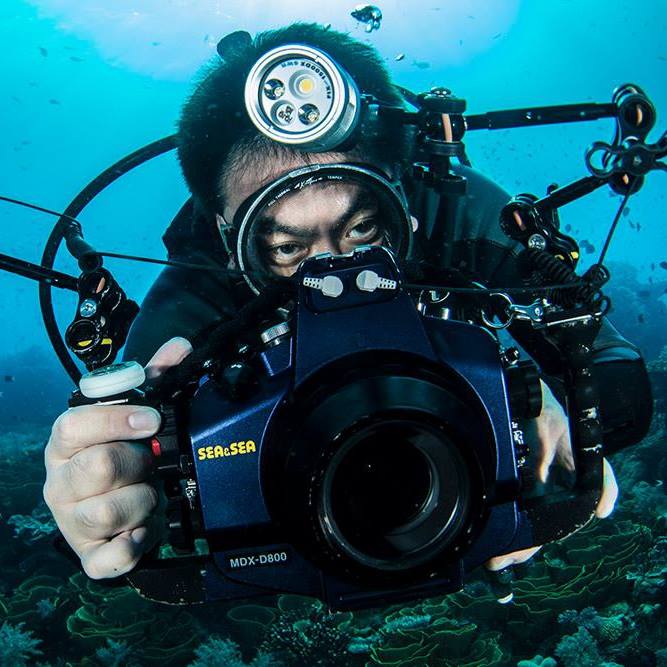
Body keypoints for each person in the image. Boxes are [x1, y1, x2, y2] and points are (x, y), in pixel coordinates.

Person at [42, 23, 650, 582]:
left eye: (364, 229)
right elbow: (123, 465)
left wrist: (555, 398)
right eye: (284, 247)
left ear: (403, 194)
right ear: (229, 241)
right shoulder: (199, 285)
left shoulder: (458, 212)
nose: (335, 273)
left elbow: (616, 372)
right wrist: (100, 498)